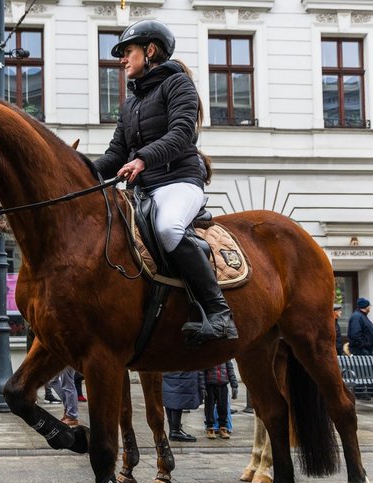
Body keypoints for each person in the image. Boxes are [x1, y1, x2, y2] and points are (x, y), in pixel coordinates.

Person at [93, 20, 237, 347]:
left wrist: (142, 158)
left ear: (150, 51)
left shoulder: (178, 85)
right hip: (144, 190)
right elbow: (116, 153)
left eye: (127, 52)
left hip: (179, 181)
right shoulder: (131, 104)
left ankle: (219, 314)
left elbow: (181, 134)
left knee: (169, 228)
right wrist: (79, 173)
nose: (122, 59)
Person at [347, 297, 373, 400]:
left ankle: (371, 390)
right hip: (360, 349)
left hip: (366, 348)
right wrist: (365, 344)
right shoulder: (357, 317)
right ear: (365, 307)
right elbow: (355, 334)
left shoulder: (362, 316)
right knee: (361, 370)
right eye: (369, 306)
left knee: (369, 370)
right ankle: (360, 391)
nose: (370, 307)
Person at [200, 361, 238, 439]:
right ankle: (210, 428)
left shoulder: (226, 355)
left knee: (223, 408)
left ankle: (223, 428)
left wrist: (234, 385)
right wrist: (202, 388)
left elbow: (230, 369)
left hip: (223, 385)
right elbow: (201, 372)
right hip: (210, 386)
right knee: (209, 408)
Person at [162, 371, 201, 442]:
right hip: (179, 373)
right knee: (177, 398)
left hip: (168, 372)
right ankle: (175, 431)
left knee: (170, 397)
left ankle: (173, 430)